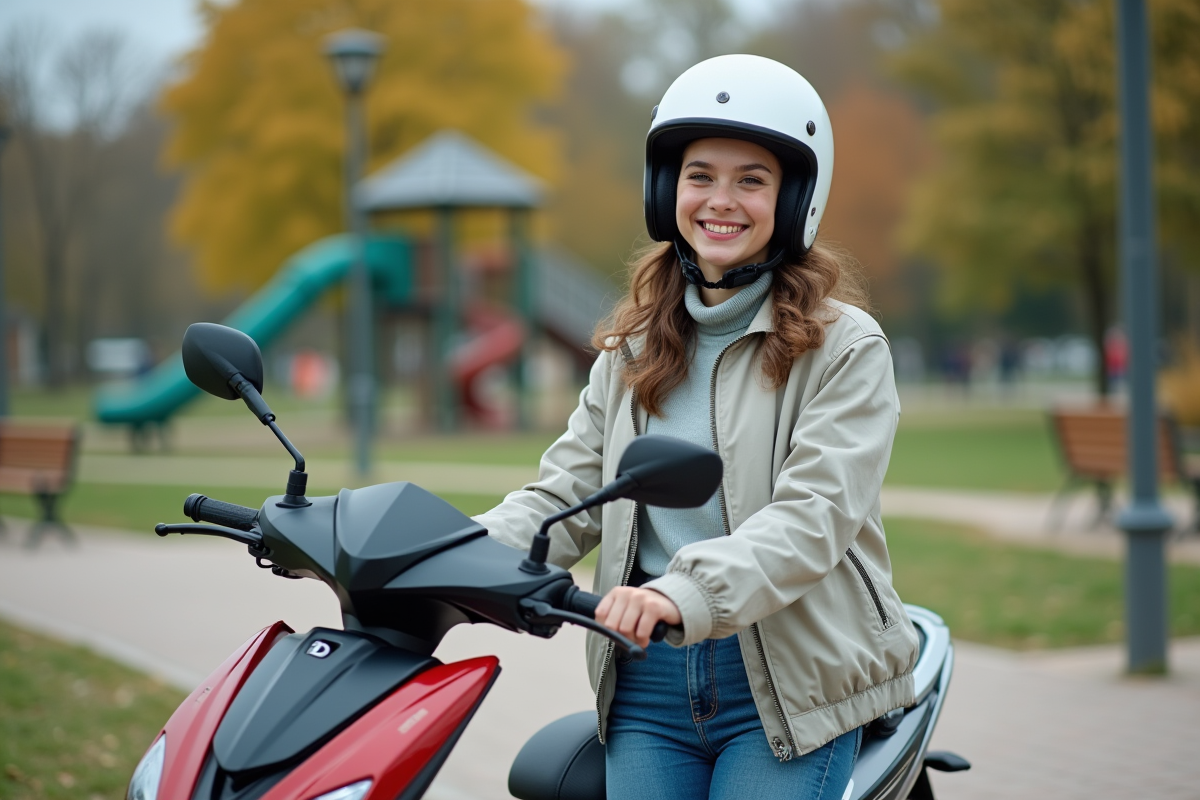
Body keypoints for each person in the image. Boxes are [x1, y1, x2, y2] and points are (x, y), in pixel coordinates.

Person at [476, 54, 919, 800]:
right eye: (700, 175)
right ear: (665, 190)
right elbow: (565, 491)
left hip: (788, 678)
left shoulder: (846, 346)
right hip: (646, 680)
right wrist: (442, 550)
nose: (722, 199)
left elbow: (812, 518)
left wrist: (683, 591)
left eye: (752, 179)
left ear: (794, 198)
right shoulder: (633, 346)